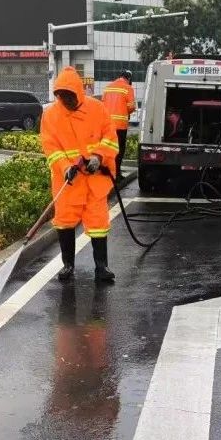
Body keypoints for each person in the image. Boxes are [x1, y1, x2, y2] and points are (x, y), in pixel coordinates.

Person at [40, 66, 119, 284]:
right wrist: (65, 166)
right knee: (65, 222)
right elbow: (51, 147)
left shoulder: (97, 108)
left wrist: (99, 157)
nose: (67, 101)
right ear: (57, 95)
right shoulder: (51, 116)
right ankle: (68, 265)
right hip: (69, 181)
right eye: (62, 97)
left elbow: (110, 137)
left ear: (79, 92)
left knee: (98, 223)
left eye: (70, 96)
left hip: (94, 181)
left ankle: (101, 267)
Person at [101, 70, 136, 177]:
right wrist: (126, 112)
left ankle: (107, 172)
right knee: (119, 150)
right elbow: (131, 106)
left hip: (107, 125)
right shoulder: (128, 88)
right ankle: (117, 174)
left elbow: (102, 105)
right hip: (120, 126)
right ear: (129, 79)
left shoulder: (108, 87)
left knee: (108, 149)